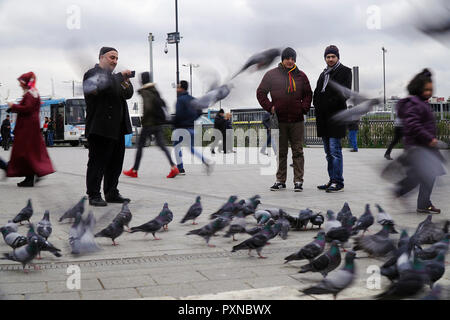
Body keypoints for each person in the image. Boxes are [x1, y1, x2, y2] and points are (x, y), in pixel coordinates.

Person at [83, 47, 134, 206]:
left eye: (117, 59)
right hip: (100, 128)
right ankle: (93, 194)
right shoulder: (92, 74)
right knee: (97, 162)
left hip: (117, 128)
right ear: (101, 57)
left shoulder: (114, 78)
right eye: (112, 57)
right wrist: (119, 77)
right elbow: (102, 85)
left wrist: (126, 81)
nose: (115, 61)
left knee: (115, 163)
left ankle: (111, 192)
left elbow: (128, 94)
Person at [257, 47, 312, 192]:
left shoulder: (301, 76)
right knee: (281, 152)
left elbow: (308, 94)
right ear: (282, 59)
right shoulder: (271, 75)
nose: (290, 61)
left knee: (298, 151)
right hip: (279, 120)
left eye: (293, 59)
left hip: (297, 120)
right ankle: (280, 180)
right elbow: (261, 92)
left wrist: (303, 108)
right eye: (288, 58)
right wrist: (270, 107)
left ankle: (298, 181)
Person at [394, 69, 444, 214]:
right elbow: (413, 124)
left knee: (427, 174)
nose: (429, 92)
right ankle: (402, 192)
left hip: (424, 147)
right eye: (426, 89)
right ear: (418, 88)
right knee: (422, 175)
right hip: (418, 148)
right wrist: (429, 138)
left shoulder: (421, 103)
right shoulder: (415, 104)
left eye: (430, 89)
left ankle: (421, 202)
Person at [123, 72, 179, 179]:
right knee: (162, 145)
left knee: (140, 146)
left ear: (142, 80)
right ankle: (173, 167)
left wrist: (143, 120)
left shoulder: (146, 91)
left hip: (149, 124)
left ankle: (134, 170)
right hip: (158, 123)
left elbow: (148, 107)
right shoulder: (154, 90)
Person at [313, 45, 352, 193]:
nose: (330, 59)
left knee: (335, 151)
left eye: (333, 56)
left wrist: (327, 103)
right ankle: (332, 179)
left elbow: (345, 93)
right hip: (323, 118)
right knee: (328, 152)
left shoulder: (345, 71)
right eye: (328, 57)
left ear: (337, 57)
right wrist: (316, 104)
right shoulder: (323, 74)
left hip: (336, 117)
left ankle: (338, 181)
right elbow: (317, 92)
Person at [6, 72, 55, 187]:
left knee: (26, 152)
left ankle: (34, 174)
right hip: (30, 126)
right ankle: (31, 176)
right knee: (30, 152)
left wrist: (13, 106)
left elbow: (27, 108)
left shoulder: (30, 94)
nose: (19, 85)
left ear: (25, 82)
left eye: (21, 83)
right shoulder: (33, 92)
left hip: (27, 127)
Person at [173, 80, 213, 175]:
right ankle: (205, 161)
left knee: (177, 147)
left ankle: (180, 168)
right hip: (192, 128)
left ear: (181, 88)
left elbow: (178, 114)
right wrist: (193, 119)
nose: (177, 89)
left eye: (178, 87)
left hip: (181, 128)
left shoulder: (180, 100)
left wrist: (175, 123)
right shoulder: (192, 99)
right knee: (191, 149)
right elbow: (200, 111)